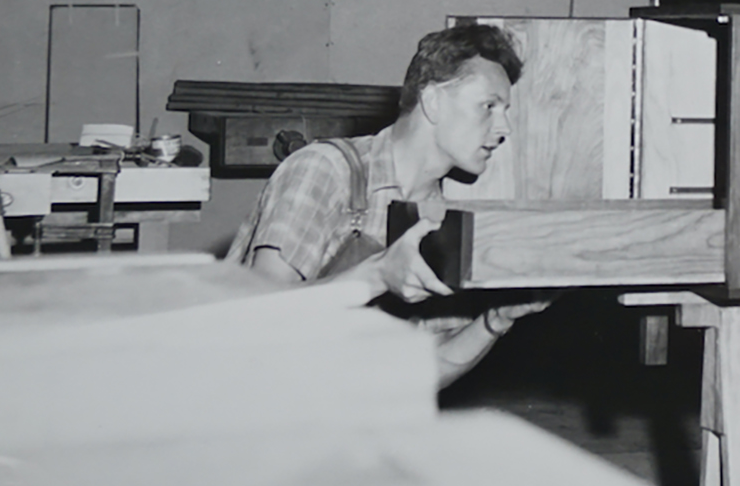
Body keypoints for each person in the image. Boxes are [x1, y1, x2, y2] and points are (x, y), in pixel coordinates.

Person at [226, 22, 550, 386]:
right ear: (433, 101)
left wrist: (496, 320)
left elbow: (427, 367)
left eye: (504, 110)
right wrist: (377, 274)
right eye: (489, 106)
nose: (504, 127)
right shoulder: (326, 170)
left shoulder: (443, 215)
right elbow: (256, 318)